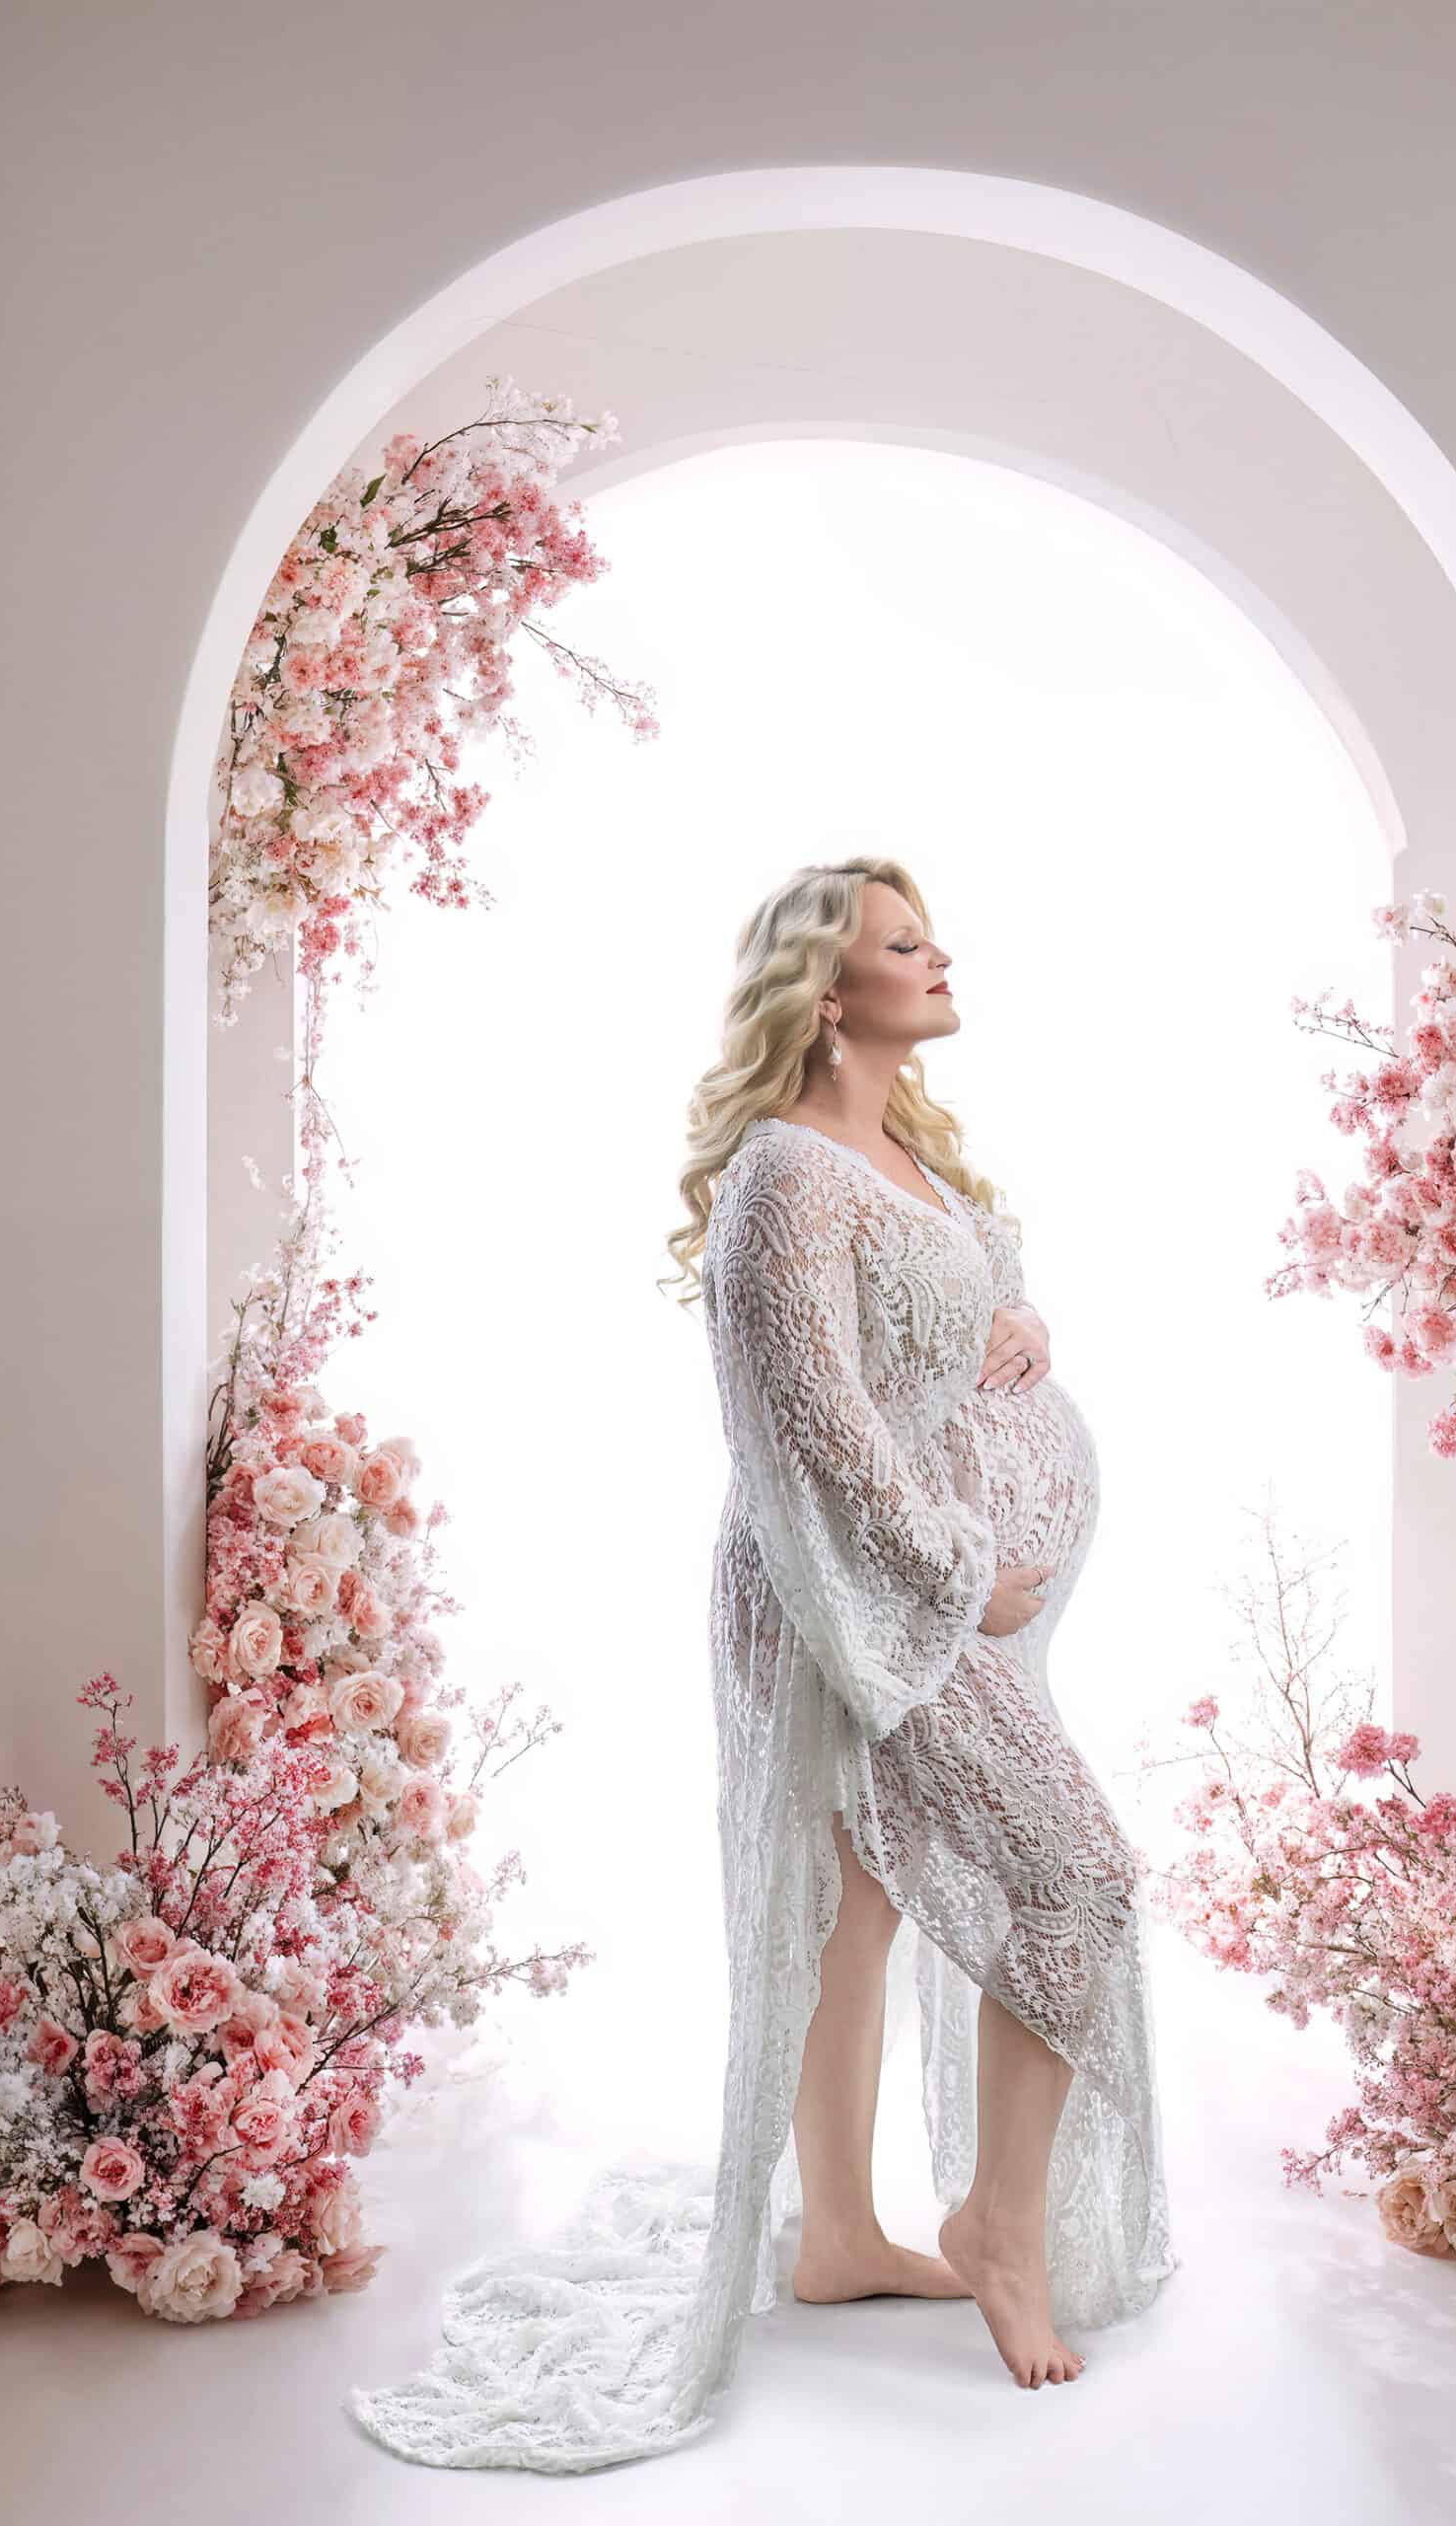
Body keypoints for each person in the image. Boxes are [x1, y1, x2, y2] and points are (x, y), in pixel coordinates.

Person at [346, 856, 1175, 2475]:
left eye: (932, 933)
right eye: (902, 943)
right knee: (1073, 1876)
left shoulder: (904, 1149)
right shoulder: (785, 1177)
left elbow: (953, 1323)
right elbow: (808, 1423)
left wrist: (1021, 1332)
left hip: (927, 1587)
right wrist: (954, 1573)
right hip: (838, 1593)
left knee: (857, 1906)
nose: (939, 959)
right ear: (823, 984)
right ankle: (998, 2229)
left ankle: (844, 2239)